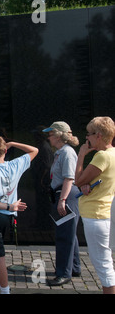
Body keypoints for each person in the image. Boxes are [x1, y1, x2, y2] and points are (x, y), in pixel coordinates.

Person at [0, 137, 38, 294]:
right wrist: (13, 144)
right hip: (10, 216)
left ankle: (4, 289)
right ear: (5, 151)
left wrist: (9, 205)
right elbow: (34, 150)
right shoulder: (15, 165)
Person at [75, 116, 115, 294]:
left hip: (96, 215)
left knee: (102, 263)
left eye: (89, 135)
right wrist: (88, 184)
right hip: (108, 212)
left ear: (98, 136)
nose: (87, 139)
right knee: (107, 260)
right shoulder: (113, 153)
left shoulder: (101, 156)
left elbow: (77, 180)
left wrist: (82, 154)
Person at [42, 121, 81, 286]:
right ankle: (74, 267)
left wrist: (63, 200)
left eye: (50, 134)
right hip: (61, 193)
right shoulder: (60, 152)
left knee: (64, 235)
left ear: (58, 135)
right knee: (69, 233)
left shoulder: (67, 153)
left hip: (65, 195)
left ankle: (63, 273)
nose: (48, 137)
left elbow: (69, 178)